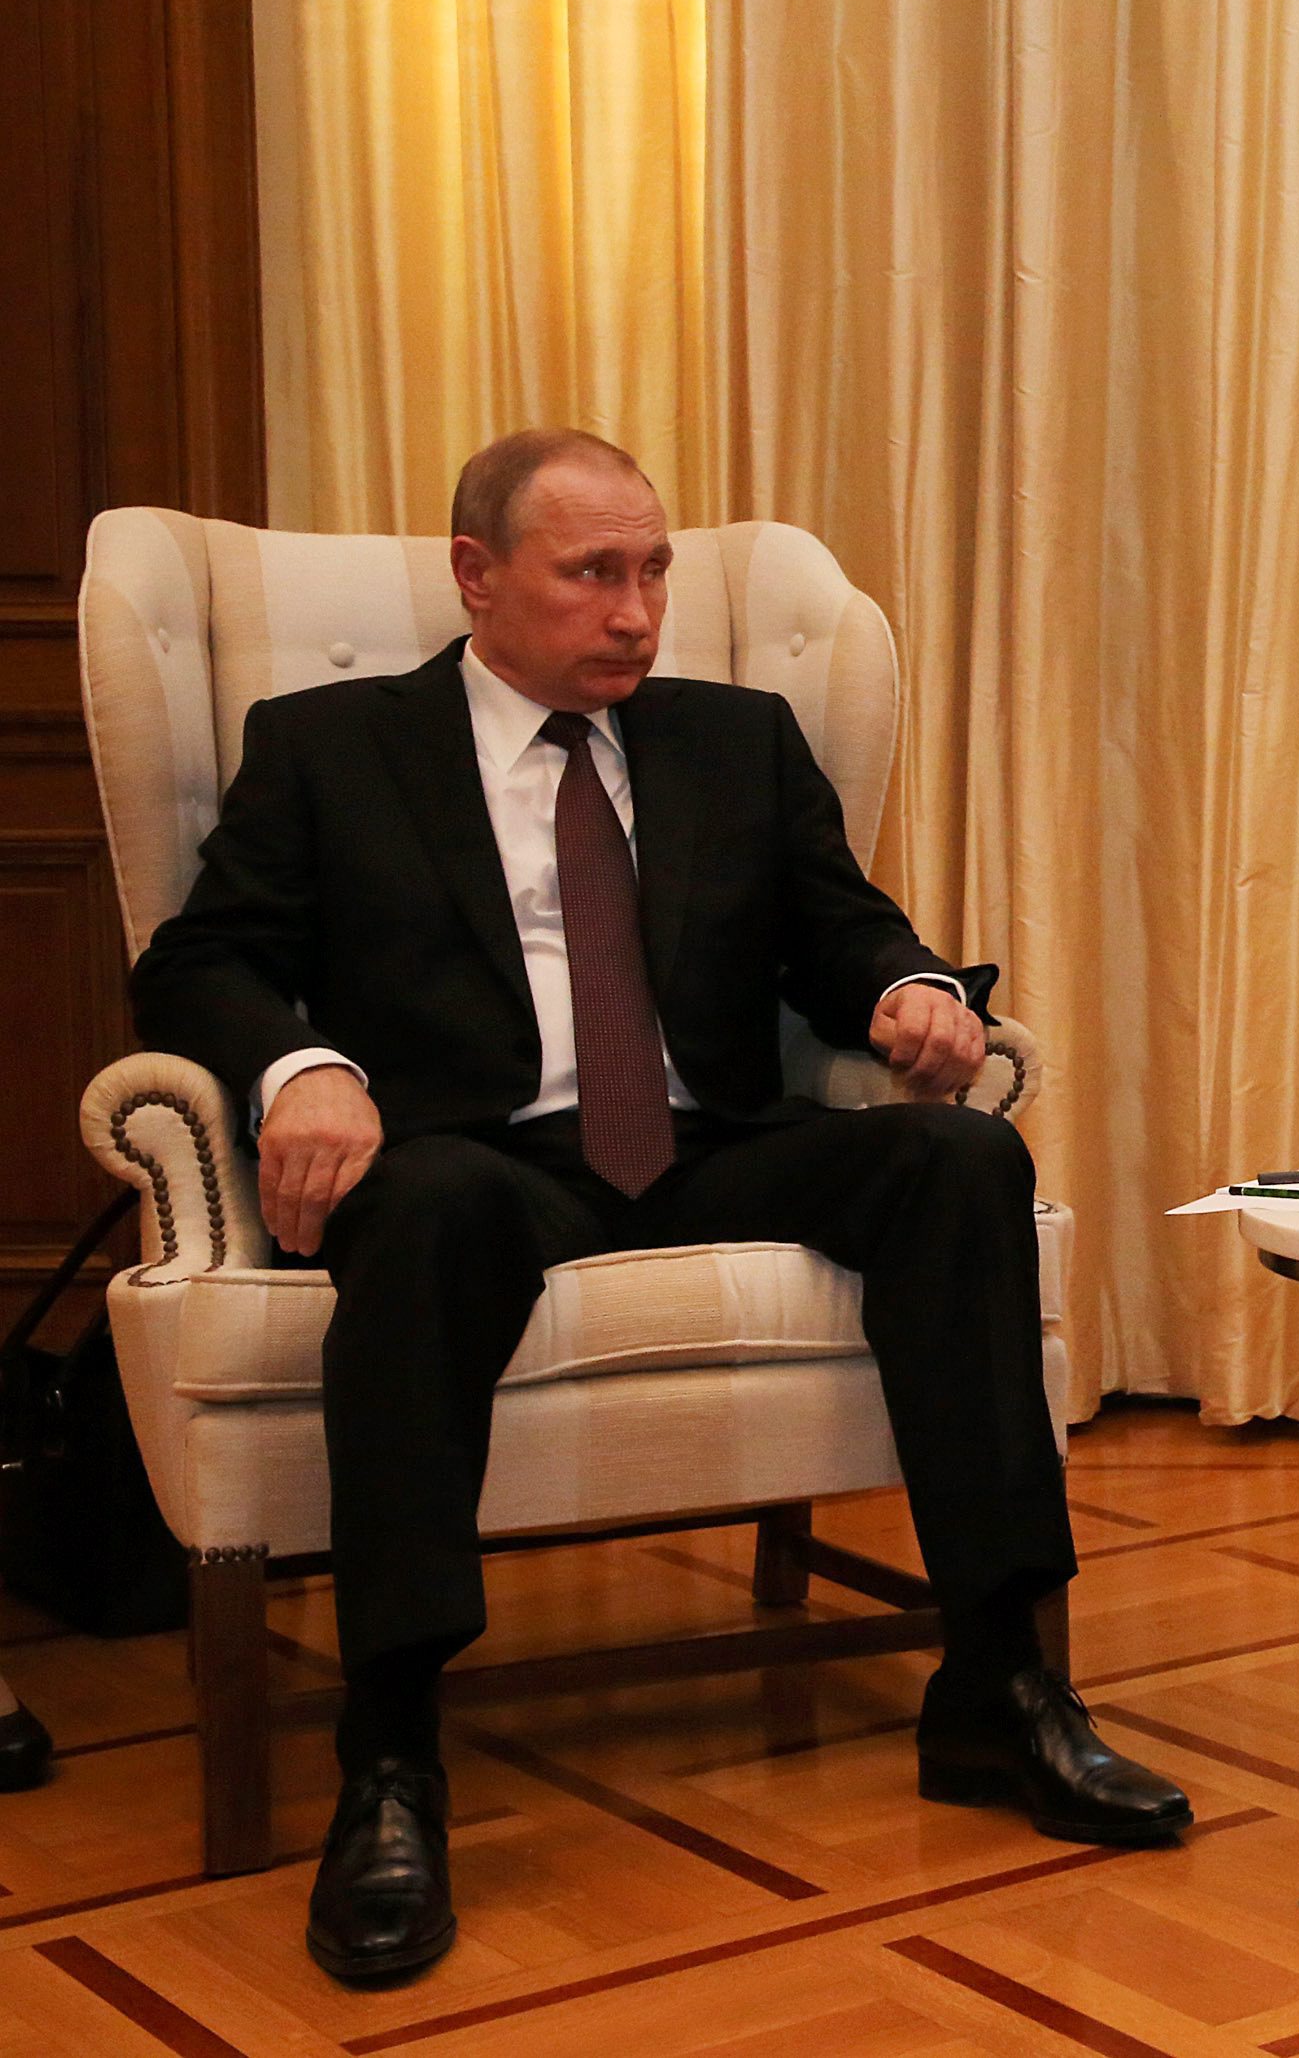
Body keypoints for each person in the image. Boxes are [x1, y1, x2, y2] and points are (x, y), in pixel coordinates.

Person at [129, 430, 1187, 1985]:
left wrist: (906, 989)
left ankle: (999, 1681)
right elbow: (199, 960)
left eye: (654, 572)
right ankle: (394, 1755)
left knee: (958, 1163)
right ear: (478, 575)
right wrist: (305, 1066)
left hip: (705, 1142)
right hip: (476, 1159)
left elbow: (843, 928)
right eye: (593, 574)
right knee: (426, 1211)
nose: (637, 613)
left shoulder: (737, 739)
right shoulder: (333, 745)